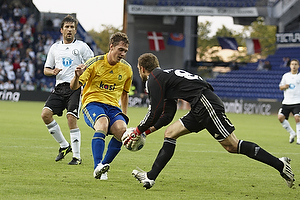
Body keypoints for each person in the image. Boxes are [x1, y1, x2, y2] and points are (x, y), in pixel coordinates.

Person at [122, 53, 295, 189]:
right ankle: (150, 177)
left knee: (232, 146)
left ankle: (280, 165)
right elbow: (167, 115)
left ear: (142, 68)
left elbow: (155, 111)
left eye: (138, 69)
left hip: (205, 103)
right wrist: (146, 131)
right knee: (170, 133)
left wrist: (137, 131)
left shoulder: (154, 78)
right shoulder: (164, 77)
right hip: (199, 105)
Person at [70, 32, 132, 180]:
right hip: (93, 103)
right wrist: (77, 75)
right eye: (120, 50)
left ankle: (103, 166)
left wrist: (124, 114)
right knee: (102, 124)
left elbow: (124, 93)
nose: (123, 54)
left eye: (125, 51)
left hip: (113, 107)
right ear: (111, 47)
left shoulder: (127, 69)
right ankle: (97, 165)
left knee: (122, 131)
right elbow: (74, 87)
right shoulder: (94, 63)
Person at [41, 15, 94, 165]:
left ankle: (77, 157)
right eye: (67, 27)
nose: (69, 30)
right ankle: (64, 146)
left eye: (72, 27)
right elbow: (46, 69)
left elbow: (92, 64)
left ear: (75, 31)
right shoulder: (55, 48)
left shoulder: (82, 47)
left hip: (75, 87)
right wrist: (53, 72)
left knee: (71, 118)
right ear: (61, 30)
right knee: (45, 115)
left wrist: (84, 68)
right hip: (59, 88)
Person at [278, 59, 300, 144]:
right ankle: (292, 133)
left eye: (295, 64)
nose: (294, 66)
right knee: (280, 117)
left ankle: (299, 139)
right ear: (290, 66)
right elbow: (280, 87)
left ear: (298, 66)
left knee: (297, 118)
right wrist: (284, 86)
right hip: (287, 102)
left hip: (297, 102)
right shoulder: (286, 76)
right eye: (292, 64)